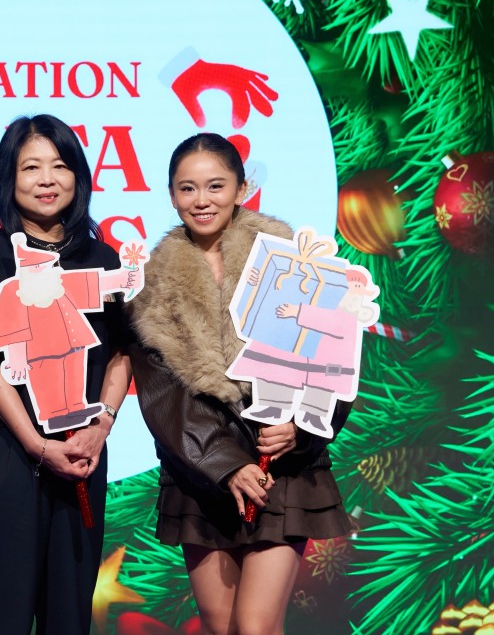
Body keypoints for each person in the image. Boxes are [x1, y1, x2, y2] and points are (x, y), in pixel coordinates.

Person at [127, 133, 351, 635]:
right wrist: (226, 467)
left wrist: (302, 427)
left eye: (215, 186)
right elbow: (163, 396)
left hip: (282, 468)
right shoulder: (153, 282)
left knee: (254, 625)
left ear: (242, 188)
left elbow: (331, 359)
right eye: (187, 189)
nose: (201, 200)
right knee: (220, 623)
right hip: (203, 471)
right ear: (170, 195)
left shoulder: (291, 262)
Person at [0, 114, 132, 634]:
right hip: (4, 450)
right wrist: (34, 443)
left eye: (59, 165)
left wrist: (101, 427)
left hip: (81, 448)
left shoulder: (102, 258)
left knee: (70, 611)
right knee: (2, 610)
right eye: (31, 167)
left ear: (78, 176)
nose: (47, 179)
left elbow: (122, 354)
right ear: (9, 179)